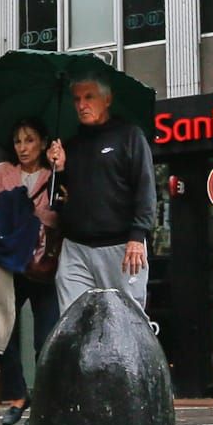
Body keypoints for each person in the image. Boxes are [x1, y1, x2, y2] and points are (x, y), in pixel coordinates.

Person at [46, 73, 156, 313]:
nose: (81, 105)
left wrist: (138, 236)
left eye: (89, 97)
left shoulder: (129, 135)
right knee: (74, 320)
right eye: (77, 99)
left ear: (107, 100)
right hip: (76, 248)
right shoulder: (70, 145)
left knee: (125, 319)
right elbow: (56, 202)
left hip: (121, 246)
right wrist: (59, 170)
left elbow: (145, 188)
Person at [0, 117, 62, 425]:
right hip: (10, 264)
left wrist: (29, 210)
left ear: (42, 143)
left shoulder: (55, 174)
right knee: (0, 330)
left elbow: (57, 218)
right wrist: (5, 206)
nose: (23, 147)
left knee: (46, 338)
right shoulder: (2, 172)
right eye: (18, 141)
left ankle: (44, 404)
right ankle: (18, 395)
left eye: (29, 140)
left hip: (43, 266)